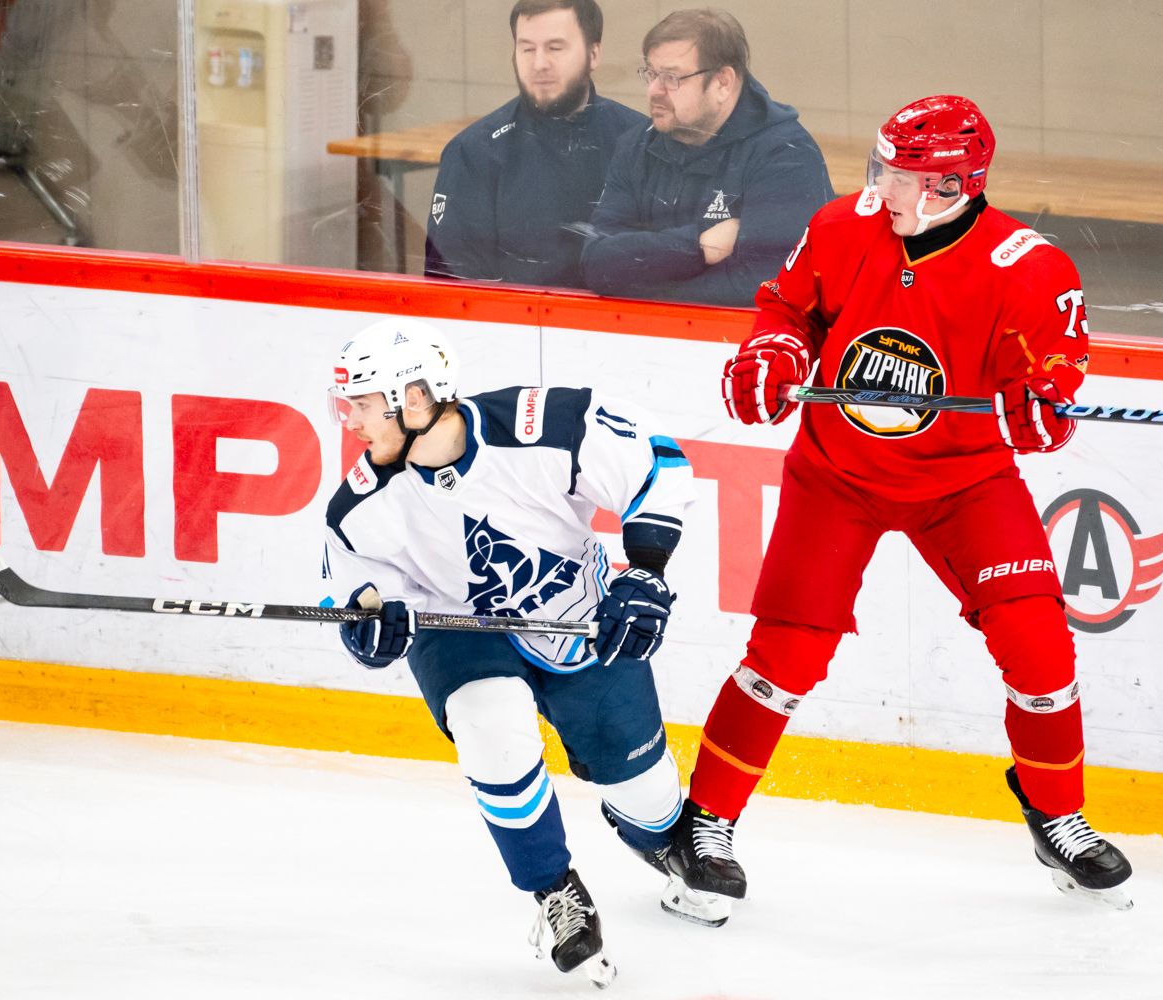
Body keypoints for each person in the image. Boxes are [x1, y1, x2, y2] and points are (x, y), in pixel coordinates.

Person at [663, 95, 1135, 921]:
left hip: (963, 482)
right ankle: (704, 826)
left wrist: (1040, 408)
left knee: (1038, 643)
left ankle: (1057, 815)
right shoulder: (842, 227)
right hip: (837, 476)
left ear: (953, 187)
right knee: (786, 654)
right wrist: (774, 352)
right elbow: (788, 309)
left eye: (902, 176)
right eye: (881, 167)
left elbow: (1051, 382)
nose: (880, 186)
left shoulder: (1032, 268)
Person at [321, 317, 702, 986]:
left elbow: (655, 461)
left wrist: (645, 571)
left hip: (576, 615)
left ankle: (661, 837)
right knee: (490, 724)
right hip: (459, 631)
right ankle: (554, 890)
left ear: (414, 397)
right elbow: (359, 585)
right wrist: (372, 621)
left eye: (361, 403)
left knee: (643, 787)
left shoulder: (540, 424)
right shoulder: (359, 504)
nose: (349, 420)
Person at [578, 8, 833, 307]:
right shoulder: (637, 146)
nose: (654, 91)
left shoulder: (786, 156)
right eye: (651, 74)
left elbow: (766, 288)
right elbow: (596, 264)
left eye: (671, 77)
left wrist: (643, 281)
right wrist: (698, 245)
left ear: (723, 83)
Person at [423, 0, 644, 288]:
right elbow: (452, 290)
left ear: (593, 54)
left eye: (555, 48)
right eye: (527, 49)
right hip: (514, 316)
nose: (539, 64)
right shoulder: (475, 152)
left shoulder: (641, 141)